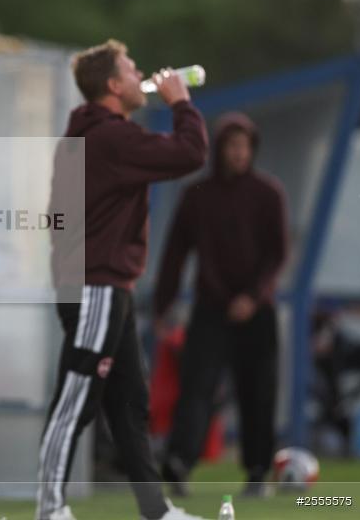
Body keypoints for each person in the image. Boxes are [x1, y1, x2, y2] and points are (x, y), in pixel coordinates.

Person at [40, 39, 208, 520]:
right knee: (75, 399)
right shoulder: (110, 137)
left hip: (108, 286)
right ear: (114, 85)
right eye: (132, 70)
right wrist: (180, 104)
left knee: (129, 401)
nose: (142, 77)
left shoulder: (94, 136)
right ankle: (50, 508)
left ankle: (155, 510)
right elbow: (190, 153)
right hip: (95, 285)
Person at [155, 112, 288, 497]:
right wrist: (163, 306)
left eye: (244, 147)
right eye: (232, 146)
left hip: (257, 311)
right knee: (197, 387)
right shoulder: (197, 195)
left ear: (253, 150)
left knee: (258, 392)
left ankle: (258, 470)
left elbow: (278, 254)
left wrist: (253, 296)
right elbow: (175, 254)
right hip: (210, 308)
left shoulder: (268, 193)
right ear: (220, 149)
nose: (238, 153)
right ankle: (179, 463)